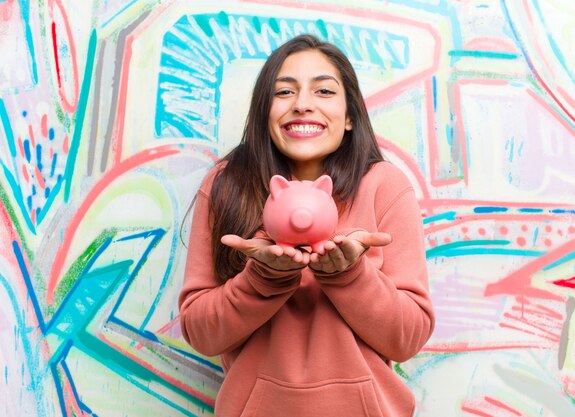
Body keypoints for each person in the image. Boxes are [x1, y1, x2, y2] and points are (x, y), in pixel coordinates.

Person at [178, 34, 435, 417]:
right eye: (284, 92)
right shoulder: (226, 185)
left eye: (324, 91)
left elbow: (407, 338)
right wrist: (262, 278)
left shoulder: (384, 185)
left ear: (350, 116)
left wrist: (351, 276)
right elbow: (201, 333)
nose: (302, 105)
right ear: (264, 110)